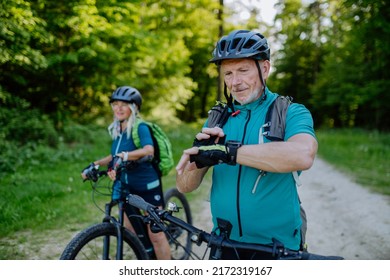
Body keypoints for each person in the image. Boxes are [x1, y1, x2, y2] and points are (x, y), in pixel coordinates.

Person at [176, 30, 318, 259]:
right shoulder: (217, 118)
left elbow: (303, 155)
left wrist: (228, 152)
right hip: (223, 243)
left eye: (243, 70)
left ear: (264, 69)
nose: (235, 82)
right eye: (228, 73)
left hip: (276, 248)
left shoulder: (289, 112)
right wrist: (198, 160)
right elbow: (184, 186)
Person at [81, 86, 171, 260]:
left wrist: (125, 156)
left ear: (134, 108)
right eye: (115, 104)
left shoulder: (140, 127)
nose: (119, 108)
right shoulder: (117, 130)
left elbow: (148, 150)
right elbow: (114, 155)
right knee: (129, 231)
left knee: (156, 235)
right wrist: (95, 165)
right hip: (124, 186)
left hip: (146, 185)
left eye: (124, 104)